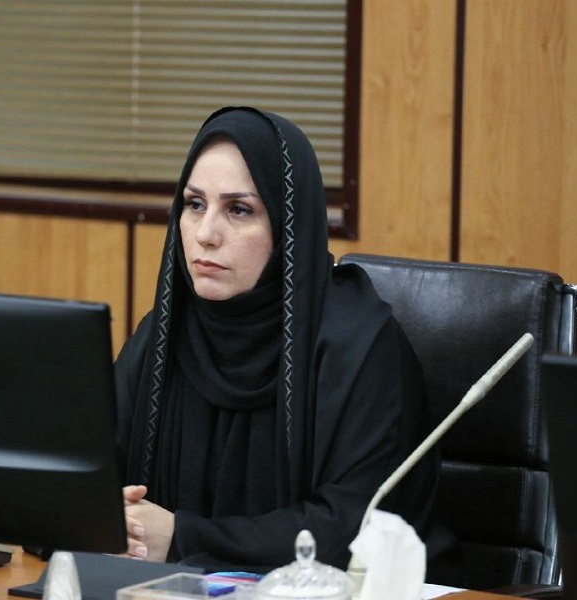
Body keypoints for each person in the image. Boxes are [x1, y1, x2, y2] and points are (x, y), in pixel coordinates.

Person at [113, 106, 439, 572]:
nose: (205, 234)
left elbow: (353, 529)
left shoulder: (360, 347)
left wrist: (181, 537)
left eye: (239, 210)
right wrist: (111, 518)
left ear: (288, 227)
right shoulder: (163, 335)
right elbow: (89, 474)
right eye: (194, 204)